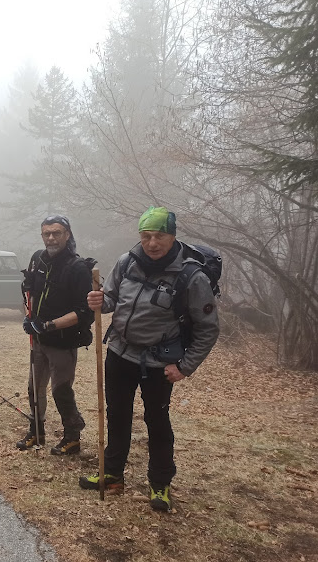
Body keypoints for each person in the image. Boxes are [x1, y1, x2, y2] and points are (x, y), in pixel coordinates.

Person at [79, 207, 219, 512]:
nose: (152, 243)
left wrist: (185, 367)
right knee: (117, 415)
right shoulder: (126, 262)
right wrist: (100, 301)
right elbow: (112, 299)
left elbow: (208, 328)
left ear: (173, 236)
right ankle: (112, 474)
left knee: (157, 422)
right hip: (120, 353)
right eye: (145, 236)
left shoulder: (191, 276)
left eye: (159, 236)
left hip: (158, 363)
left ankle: (160, 483)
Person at [17, 215, 94, 455]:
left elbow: (84, 312)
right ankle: (36, 432)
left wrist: (48, 326)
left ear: (67, 235)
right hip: (38, 341)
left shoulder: (77, 267)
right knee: (34, 388)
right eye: (46, 233)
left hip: (63, 342)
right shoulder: (38, 259)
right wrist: (30, 317)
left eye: (56, 233)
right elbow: (31, 294)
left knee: (61, 391)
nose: (51, 238)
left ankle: (72, 437)